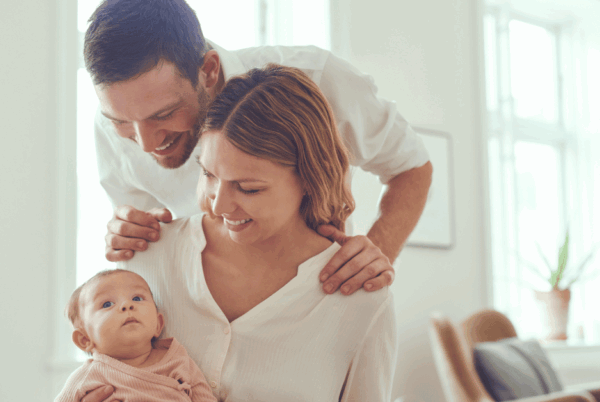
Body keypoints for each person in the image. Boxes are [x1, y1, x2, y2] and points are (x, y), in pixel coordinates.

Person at [81, 65, 397, 402]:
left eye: (248, 188)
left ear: (308, 179)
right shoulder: (147, 256)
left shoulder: (361, 300)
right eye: (208, 175)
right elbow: (98, 373)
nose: (218, 206)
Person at [85, 0, 433, 296]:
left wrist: (376, 254)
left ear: (207, 71)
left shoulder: (318, 80)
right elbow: (150, 247)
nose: (146, 144)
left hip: (316, 304)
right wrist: (127, 234)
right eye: (122, 121)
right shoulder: (110, 130)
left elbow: (411, 165)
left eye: (164, 114)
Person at [56, 269, 217, 402]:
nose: (127, 305)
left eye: (137, 298)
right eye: (107, 304)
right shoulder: (88, 376)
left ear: (158, 324)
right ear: (85, 339)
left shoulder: (177, 358)